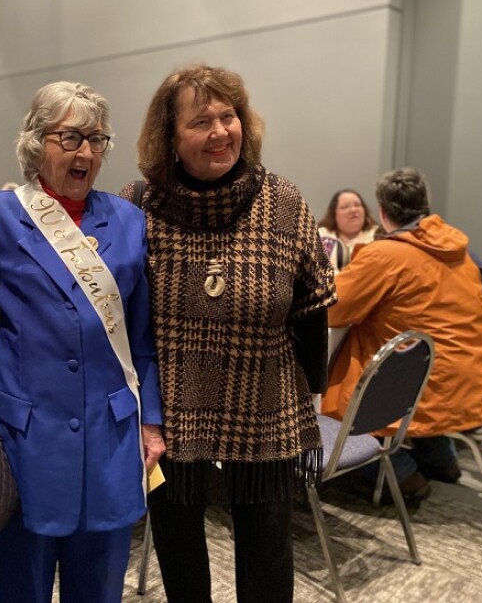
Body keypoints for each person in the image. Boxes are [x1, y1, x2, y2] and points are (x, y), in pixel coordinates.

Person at [123, 64, 336, 603]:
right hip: (168, 407)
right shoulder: (136, 206)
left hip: (265, 398)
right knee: (178, 546)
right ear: (169, 138)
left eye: (229, 116)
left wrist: (312, 395)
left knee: (267, 546)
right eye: (201, 122)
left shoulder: (283, 201)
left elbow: (312, 308)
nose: (221, 132)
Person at [0, 81, 165, 603]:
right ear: (36, 142)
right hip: (24, 437)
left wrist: (152, 422)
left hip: (111, 437)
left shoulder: (129, 221)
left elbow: (142, 337)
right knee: (19, 587)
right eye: (71, 137)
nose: (87, 152)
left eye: (97, 140)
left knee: (100, 589)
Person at [322, 167, 482, 496]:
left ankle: (404, 475)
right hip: (480, 382)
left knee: (345, 388)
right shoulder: (456, 249)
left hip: (426, 389)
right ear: (426, 207)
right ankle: (440, 458)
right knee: (420, 362)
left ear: (381, 210)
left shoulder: (385, 255)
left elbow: (333, 310)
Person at [316, 188, 378, 273]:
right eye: (345, 207)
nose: (353, 210)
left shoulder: (378, 236)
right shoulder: (320, 236)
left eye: (357, 205)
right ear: (334, 214)